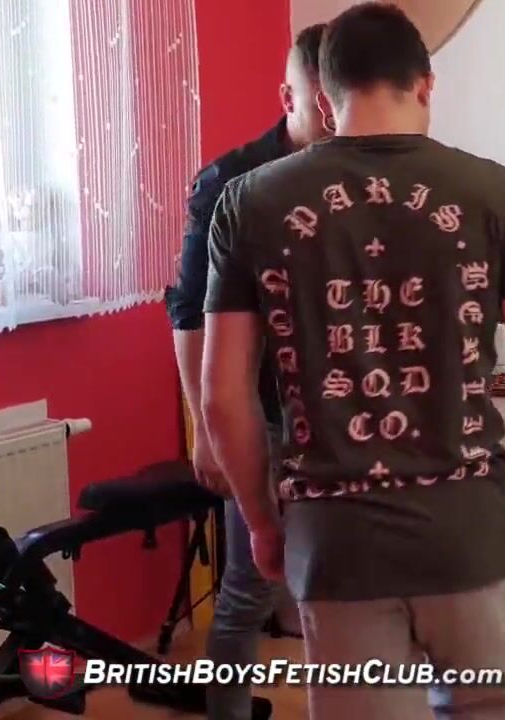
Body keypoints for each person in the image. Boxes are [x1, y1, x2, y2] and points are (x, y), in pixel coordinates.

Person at [199, 3, 505, 719]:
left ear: (324, 98)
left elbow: (223, 398)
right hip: (463, 528)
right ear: (427, 84)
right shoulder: (494, 193)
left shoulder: (249, 202)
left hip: (334, 537)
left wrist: (260, 522)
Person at [166, 23, 329, 720]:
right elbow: (187, 312)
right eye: (321, 106)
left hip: (333, 409)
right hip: (254, 408)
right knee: (247, 586)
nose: (335, 121)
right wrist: (206, 428)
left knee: (336, 584)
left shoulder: (357, 176)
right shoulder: (229, 182)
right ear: (289, 98)